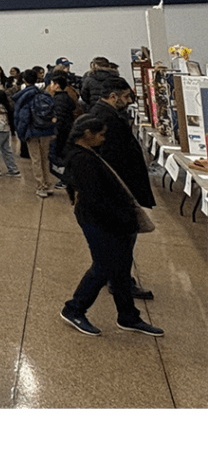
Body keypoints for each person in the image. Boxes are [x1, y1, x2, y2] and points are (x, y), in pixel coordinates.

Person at [59, 115, 163, 337]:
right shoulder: (82, 160)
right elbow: (96, 199)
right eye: (101, 134)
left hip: (108, 220)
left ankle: (128, 315)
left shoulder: (85, 154)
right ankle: (74, 308)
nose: (103, 138)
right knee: (104, 266)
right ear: (87, 135)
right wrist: (121, 219)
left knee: (121, 268)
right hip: (99, 221)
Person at [88, 76, 155, 299]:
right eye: (126, 96)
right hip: (118, 188)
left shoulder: (104, 114)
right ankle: (120, 282)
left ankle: (117, 279)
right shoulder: (107, 118)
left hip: (117, 187)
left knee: (119, 240)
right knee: (122, 240)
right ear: (114, 96)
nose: (129, 101)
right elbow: (111, 159)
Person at [13, 70, 57, 196]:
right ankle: (48, 184)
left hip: (32, 131)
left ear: (24, 80)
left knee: (36, 159)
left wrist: (21, 133)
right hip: (46, 130)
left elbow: (22, 117)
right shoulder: (45, 94)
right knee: (45, 158)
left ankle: (41, 186)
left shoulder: (23, 96)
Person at [0, 89, 20, 176]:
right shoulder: (6, 106)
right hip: (6, 129)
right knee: (6, 150)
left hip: (0, 129)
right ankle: (13, 169)